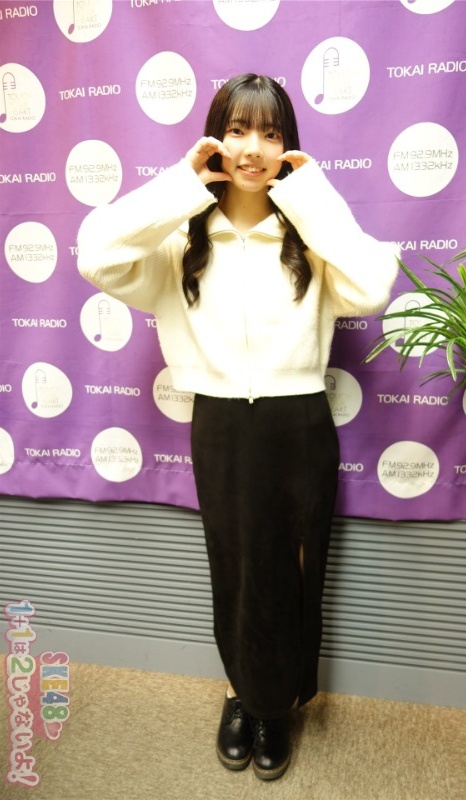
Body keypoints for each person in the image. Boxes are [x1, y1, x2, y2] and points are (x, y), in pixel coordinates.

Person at [77, 73, 399, 781]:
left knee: (293, 570)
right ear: (215, 140)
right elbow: (94, 253)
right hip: (221, 424)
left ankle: (275, 704)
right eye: (238, 130)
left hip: (299, 420)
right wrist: (180, 186)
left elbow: (375, 285)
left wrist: (310, 197)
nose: (253, 147)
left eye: (270, 133)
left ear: (288, 148)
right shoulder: (182, 240)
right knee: (235, 567)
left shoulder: (307, 236)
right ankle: (238, 693)